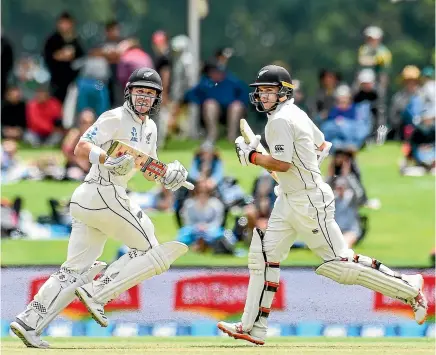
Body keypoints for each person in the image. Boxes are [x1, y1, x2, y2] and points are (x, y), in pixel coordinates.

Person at [217, 65, 427, 345]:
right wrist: (295, 170)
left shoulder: (279, 121)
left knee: (339, 264)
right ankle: (252, 326)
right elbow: (323, 146)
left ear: (283, 93)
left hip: (308, 201)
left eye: (269, 91)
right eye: (261, 91)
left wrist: (254, 157)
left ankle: (408, 287)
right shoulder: (296, 113)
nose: (263, 96)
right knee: (263, 257)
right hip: (289, 198)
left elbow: (283, 163)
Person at [10, 68, 190, 349]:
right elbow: (81, 146)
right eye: (139, 91)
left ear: (157, 99)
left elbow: (147, 167)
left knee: (75, 270)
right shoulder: (115, 117)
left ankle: (29, 322)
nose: (144, 97)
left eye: (150, 93)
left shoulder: (151, 128)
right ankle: (98, 293)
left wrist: (169, 175)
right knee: (152, 250)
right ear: (129, 92)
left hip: (95, 200)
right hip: (100, 191)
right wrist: (106, 159)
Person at [43, 12, 84, 103]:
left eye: (67, 23)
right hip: (56, 79)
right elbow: (48, 57)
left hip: (73, 80)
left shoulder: (76, 41)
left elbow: (81, 59)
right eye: (63, 23)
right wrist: (60, 56)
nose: (65, 26)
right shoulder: (52, 40)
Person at [61, 109, 96, 181]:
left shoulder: (97, 136)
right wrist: (79, 162)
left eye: (90, 123)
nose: (87, 125)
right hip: (75, 166)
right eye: (84, 122)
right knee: (74, 174)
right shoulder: (74, 134)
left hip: (92, 167)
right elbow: (66, 151)